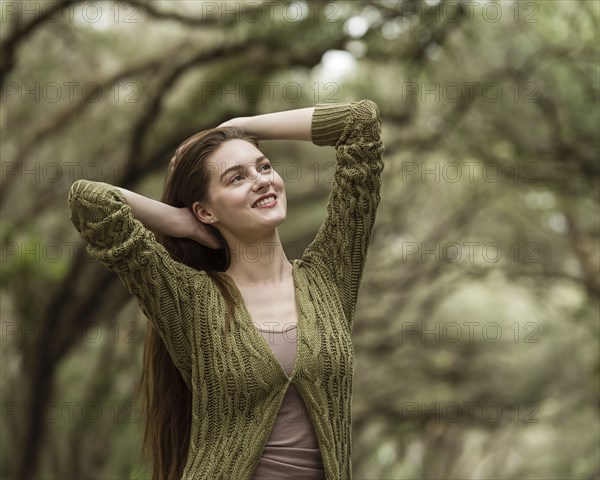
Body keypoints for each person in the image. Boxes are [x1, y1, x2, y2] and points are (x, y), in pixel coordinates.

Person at [68, 99, 384, 479]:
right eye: (237, 177)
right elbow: (90, 201)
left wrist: (240, 124)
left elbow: (359, 123)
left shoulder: (329, 278)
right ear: (205, 210)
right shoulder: (192, 301)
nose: (261, 179)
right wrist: (180, 223)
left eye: (264, 166)